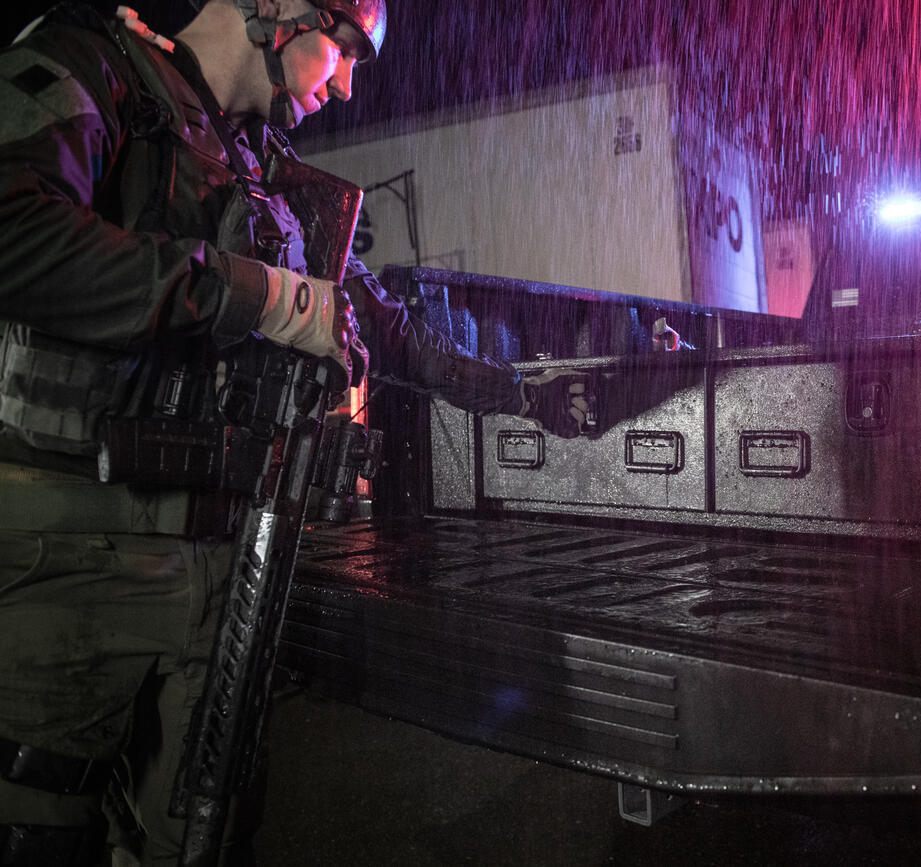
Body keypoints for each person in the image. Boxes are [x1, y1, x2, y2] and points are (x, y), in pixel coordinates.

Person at [0, 1, 585, 863]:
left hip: (226, 565)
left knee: (203, 835)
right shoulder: (98, 68)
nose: (346, 84)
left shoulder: (265, 172)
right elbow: (15, 235)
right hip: (77, 554)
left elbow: (374, 326)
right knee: (39, 829)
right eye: (344, 48)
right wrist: (267, 297)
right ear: (275, 10)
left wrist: (519, 394)